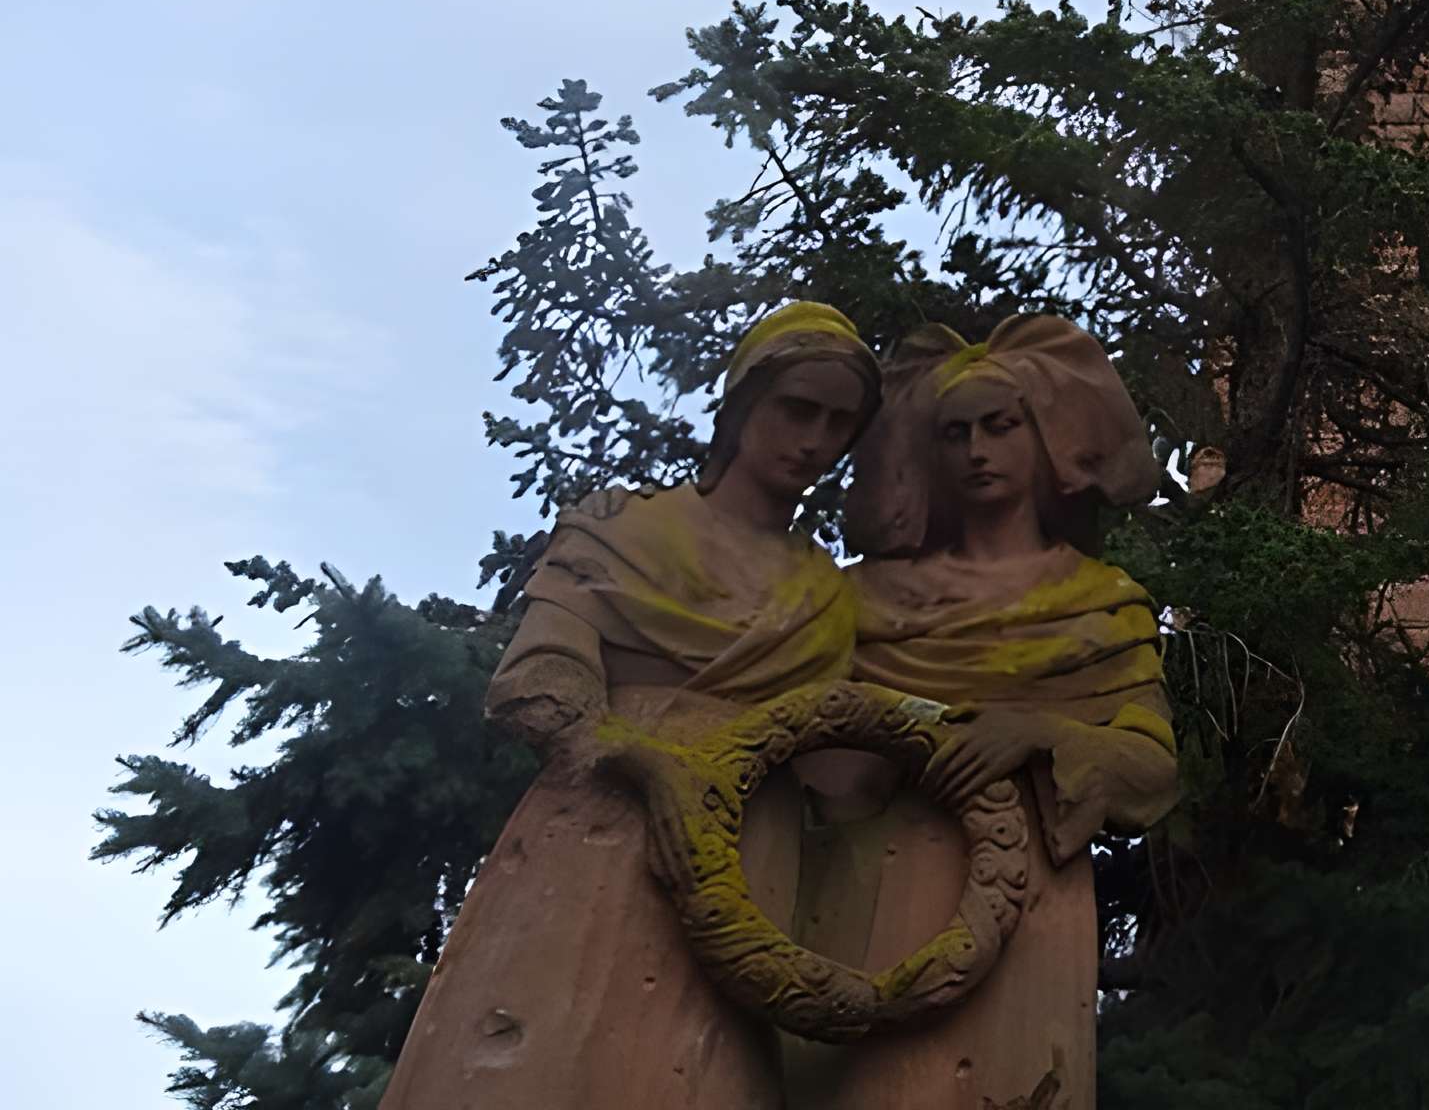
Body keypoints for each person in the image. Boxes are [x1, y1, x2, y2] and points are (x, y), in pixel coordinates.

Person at [381, 301, 882, 1110]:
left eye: (839, 423)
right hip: (600, 829)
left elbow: (848, 778)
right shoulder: (623, 527)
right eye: (797, 409)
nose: (815, 440)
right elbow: (540, 680)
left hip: (751, 850)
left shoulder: (826, 593)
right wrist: (647, 763)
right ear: (744, 404)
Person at [787, 315, 1177, 1110]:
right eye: (955, 433)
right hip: (861, 888)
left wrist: (1040, 733)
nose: (976, 452)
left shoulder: (1100, 605)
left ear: (1044, 442)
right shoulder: (857, 601)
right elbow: (791, 738)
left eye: (1000, 428)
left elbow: (1150, 768)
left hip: (1029, 904)